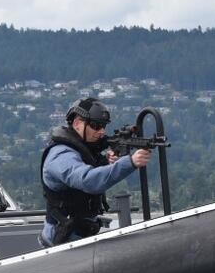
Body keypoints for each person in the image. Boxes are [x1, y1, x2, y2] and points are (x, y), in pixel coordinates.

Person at [40, 98, 152, 246]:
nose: (101, 132)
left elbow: (88, 166)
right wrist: (130, 162)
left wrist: (107, 161)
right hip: (62, 241)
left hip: (80, 236)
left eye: (103, 126)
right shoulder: (60, 155)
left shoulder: (80, 150)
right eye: (95, 126)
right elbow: (88, 180)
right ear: (77, 123)